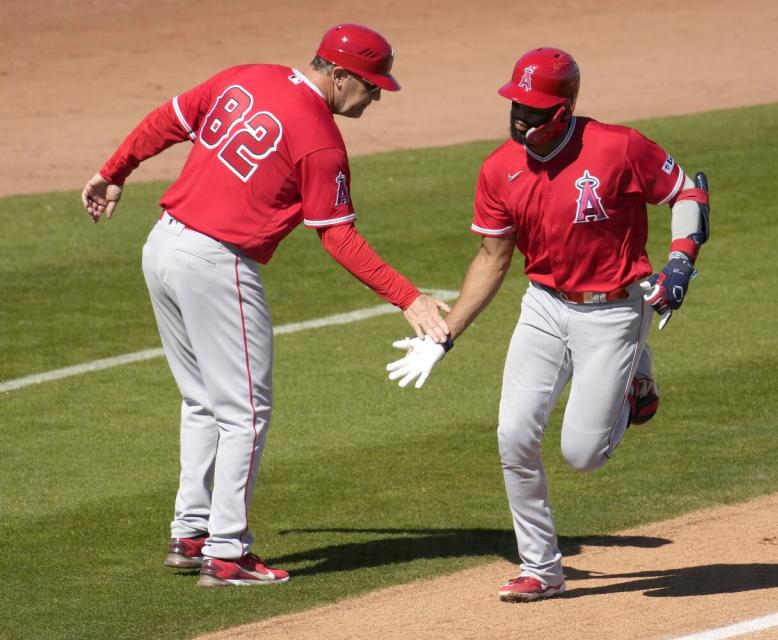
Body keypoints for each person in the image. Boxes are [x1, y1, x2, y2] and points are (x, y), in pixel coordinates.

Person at [81, 23, 451, 588]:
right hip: (216, 263)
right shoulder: (321, 140)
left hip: (162, 245)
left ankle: (192, 531)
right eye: (372, 85)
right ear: (340, 74)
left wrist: (113, 173)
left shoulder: (245, 76)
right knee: (246, 412)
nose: (376, 95)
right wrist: (408, 296)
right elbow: (338, 237)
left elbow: (165, 120)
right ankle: (227, 552)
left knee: (204, 400)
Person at [386, 47, 710, 601]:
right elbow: (492, 258)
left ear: (563, 111)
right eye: (516, 104)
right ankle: (541, 567)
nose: (520, 117)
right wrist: (444, 336)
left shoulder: (618, 146)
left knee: (582, 456)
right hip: (543, 307)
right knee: (513, 435)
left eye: (533, 110)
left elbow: (687, 191)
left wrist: (681, 259)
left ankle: (636, 377)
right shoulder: (499, 169)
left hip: (612, 311)